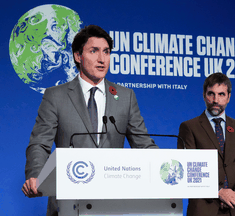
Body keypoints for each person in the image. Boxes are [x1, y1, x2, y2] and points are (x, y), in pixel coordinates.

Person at [22, 25, 158, 215]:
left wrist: (164, 166)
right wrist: (35, 175)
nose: (102, 59)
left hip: (112, 203)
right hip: (69, 200)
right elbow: (40, 143)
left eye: (106, 52)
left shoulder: (125, 96)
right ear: (78, 56)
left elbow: (143, 144)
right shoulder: (56, 96)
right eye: (93, 51)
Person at [178, 73, 235, 216]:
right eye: (211, 94)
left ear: (228, 97)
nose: (216, 100)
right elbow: (187, 168)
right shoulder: (189, 127)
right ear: (204, 95)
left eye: (221, 94)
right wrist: (218, 192)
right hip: (205, 208)